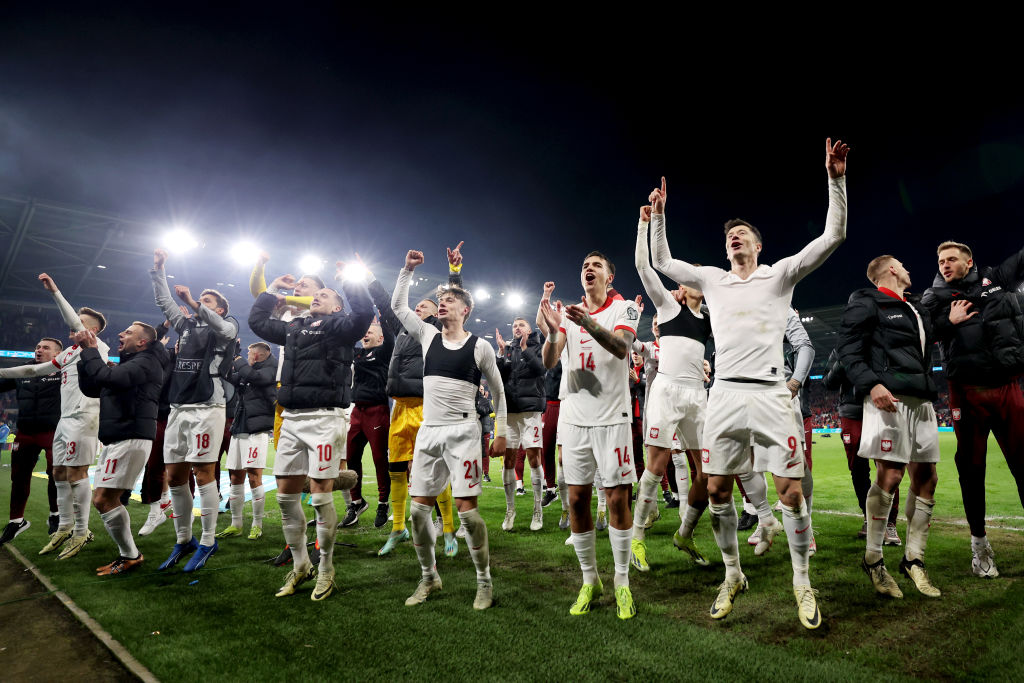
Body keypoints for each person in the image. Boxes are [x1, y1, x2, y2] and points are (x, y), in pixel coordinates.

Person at [650, 138, 849, 630]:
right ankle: (733, 573)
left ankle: (802, 582)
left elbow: (833, 236)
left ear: (758, 246)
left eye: (742, 235)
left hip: (769, 393)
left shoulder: (779, 276)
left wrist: (835, 179)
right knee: (717, 487)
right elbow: (663, 260)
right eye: (730, 235)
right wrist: (658, 215)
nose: (734, 238)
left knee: (791, 494)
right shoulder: (713, 279)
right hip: (723, 396)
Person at [249, 261, 374, 600]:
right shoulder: (294, 327)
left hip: (325, 419)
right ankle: (301, 565)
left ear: (337, 306)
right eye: (313, 294)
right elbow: (257, 321)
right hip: (291, 418)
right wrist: (272, 291)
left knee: (319, 496)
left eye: (324, 294)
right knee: (287, 498)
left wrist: (350, 280)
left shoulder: (342, 326)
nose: (316, 296)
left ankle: (328, 569)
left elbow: (363, 313)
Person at [391, 249, 506, 610]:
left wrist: (501, 431)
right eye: (440, 299)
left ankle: (484, 582)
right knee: (417, 512)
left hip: (464, 432)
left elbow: (499, 391)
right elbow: (398, 306)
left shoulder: (480, 346)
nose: (442, 303)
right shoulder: (427, 336)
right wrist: (407, 270)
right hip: (429, 432)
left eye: (450, 299)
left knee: (468, 513)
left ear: (465, 310)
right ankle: (429, 577)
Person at [538, 253, 641, 621]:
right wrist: (552, 333)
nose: (588, 268)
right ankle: (589, 579)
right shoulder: (569, 315)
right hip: (574, 418)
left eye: (596, 264)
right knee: (578, 499)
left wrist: (590, 324)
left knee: (616, 500)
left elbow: (621, 348)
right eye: (584, 264)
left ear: (609, 276)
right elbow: (550, 362)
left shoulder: (625, 308)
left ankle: (622, 582)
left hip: (613, 417)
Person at [840, 255, 942, 599]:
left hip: (922, 399)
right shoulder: (868, 302)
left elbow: (919, 346)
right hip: (889, 397)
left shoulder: (915, 308)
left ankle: (914, 559)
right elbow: (848, 349)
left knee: (927, 477)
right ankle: (873, 559)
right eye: (904, 265)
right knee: (891, 475)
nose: (910, 269)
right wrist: (871, 384)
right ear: (892, 270)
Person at [921, 240, 1024, 578]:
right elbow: (917, 335)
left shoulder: (997, 279)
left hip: (1007, 387)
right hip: (966, 392)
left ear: (969, 261)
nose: (944, 264)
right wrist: (948, 322)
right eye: (940, 260)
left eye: (951, 259)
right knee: (972, 469)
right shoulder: (934, 298)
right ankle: (979, 545)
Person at [0, 273, 110, 559]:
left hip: (84, 419)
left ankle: (82, 531)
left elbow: (73, 322)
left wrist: (55, 292)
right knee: (59, 474)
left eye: (80, 321)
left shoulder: (97, 348)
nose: (74, 324)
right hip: (64, 421)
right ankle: (64, 527)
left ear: (93, 330)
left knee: (76, 474)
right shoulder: (70, 352)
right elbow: (33, 371)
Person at [367, 244, 465, 556]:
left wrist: (453, 274)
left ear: (437, 313)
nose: (419, 308)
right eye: (418, 306)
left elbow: (455, 300)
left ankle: (448, 527)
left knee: (435, 471)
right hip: (400, 407)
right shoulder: (401, 330)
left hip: (427, 407)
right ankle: (398, 527)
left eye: (425, 305)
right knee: (396, 468)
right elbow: (388, 303)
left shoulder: (438, 331)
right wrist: (390, 273)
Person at [630, 212, 713, 573]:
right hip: (666, 391)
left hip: (698, 396)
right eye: (688, 277)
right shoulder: (667, 305)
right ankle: (637, 538)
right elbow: (643, 265)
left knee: (707, 474)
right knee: (657, 465)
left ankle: (685, 533)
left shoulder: (710, 318)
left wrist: (709, 366)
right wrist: (645, 224)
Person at [151, 249, 239, 573]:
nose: (200, 301)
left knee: (204, 473)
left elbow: (226, 331)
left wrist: (193, 301)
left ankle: (208, 540)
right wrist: (159, 270)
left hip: (208, 407)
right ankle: (183, 539)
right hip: (178, 406)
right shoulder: (186, 324)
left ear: (220, 308)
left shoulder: (227, 325)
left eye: (208, 300)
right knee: (174, 475)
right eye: (200, 298)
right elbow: (164, 303)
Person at [75, 322, 166, 575]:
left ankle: (131, 556)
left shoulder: (147, 362)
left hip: (131, 436)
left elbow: (106, 377)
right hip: (120, 437)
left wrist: (91, 351)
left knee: (104, 499)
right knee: (105, 499)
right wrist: (85, 358)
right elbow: (93, 387)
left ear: (142, 342)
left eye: (127, 332)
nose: (120, 334)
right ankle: (130, 555)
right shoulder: (131, 364)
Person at [740, 309, 814, 556]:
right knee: (746, 464)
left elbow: (804, 345)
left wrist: (795, 382)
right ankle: (765, 521)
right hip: (742, 395)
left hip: (778, 393)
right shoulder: (730, 303)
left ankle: (807, 528)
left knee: (797, 467)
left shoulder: (778, 305)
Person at [823, 348, 901, 543]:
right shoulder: (840, 349)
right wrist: (842, 361)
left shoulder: (882, 341)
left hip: (880, 409)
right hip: (851, 411)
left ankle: (890, 522)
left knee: (887, 466)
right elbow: (828, 382)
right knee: (857, 469)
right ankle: (869, 517)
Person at [0, 337, 62, 545]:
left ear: (57, 354)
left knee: (56, 475)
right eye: (37, 347)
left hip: (54, 431)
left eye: (45, 348)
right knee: (18, 477)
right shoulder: (22, 371)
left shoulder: (65, 370)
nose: (39, 350)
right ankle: (17, 521)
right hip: (25, 432)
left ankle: (55, 515)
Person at [217, 342, 278, 540]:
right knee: (235, 477)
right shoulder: (249, 370)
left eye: (249, 355)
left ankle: (257, 525)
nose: (246, 358)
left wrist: (238, 359)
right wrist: (228, 356)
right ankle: (236, 524)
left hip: (257, 430)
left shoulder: (271, 368)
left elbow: (255, 378)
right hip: (240, 427)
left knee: (254, 477)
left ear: (258, 356)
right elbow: (228, 377)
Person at [342, 319, 395, 529]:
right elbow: (344, 341)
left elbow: (390, 338)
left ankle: (383, 504)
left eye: (370, 332)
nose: (365, 334)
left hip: (377, 410)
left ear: (380, 338)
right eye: (364, 332)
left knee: (379, 458)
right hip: (357, 410)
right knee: (351, 456)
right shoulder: (357, 354)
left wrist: (382, 318)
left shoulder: (383, 352)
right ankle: (357, 502)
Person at [495, 318, 546, 531]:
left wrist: (525, 349)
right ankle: (510, 510)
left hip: (531, 411)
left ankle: (537, 510)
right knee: (508, 460)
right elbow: (498, 376)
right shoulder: (508, 349)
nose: (516, 328)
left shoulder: (539, 346)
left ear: (529, 329)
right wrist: (500, 353)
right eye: (514, 325)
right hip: (510, 411)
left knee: (534, 458)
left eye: (521, 325)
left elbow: (540, 370)